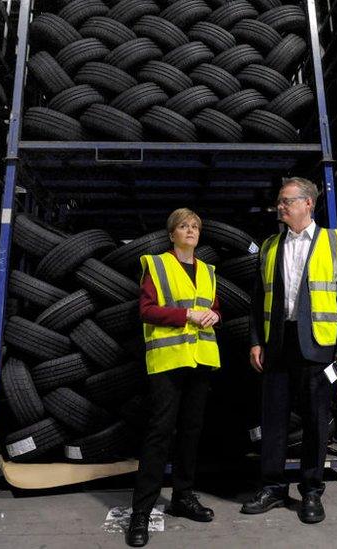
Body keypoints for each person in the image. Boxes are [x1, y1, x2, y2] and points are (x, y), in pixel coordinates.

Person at [240, 177, 337, 524]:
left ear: (308, 203)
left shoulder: (336, 242)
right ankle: (273, 488)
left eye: (286, 201)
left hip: (319, 346)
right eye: (280, 202)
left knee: (315, 421)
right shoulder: (269, 246)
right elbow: (257, 300)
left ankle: (311, 491)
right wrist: (255, 341)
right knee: (273, 420)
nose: (280, 207)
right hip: (277, 343)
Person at [126, 208, 222, 547]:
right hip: (168, 361)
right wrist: (187, 315)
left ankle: (183, 497)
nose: (191, 231)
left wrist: (213, 315)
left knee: (192, 432)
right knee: (159, 433)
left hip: (200, 360)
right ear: (172, 234)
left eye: (195, 226)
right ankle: (141, 512)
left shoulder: (208, 271)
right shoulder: (157, 265)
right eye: (184, 226)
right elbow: (146, 310)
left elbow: (214, 308)